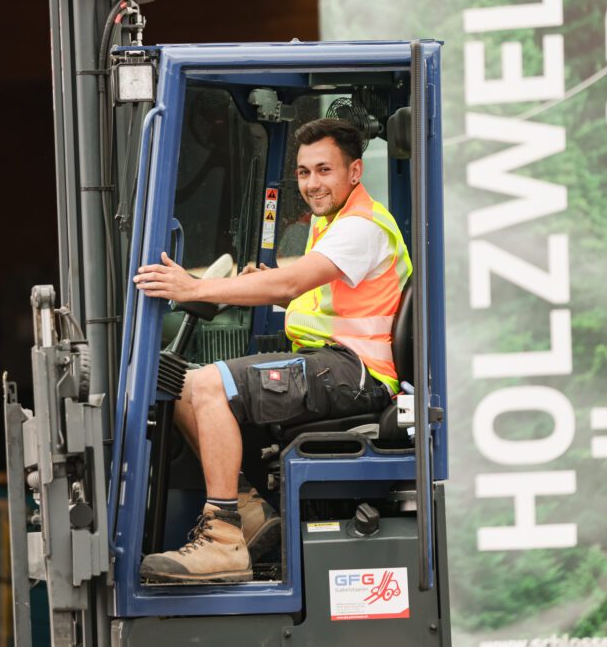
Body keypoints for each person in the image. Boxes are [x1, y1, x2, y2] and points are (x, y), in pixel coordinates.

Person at [132, 118, 412, 583]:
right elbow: (306, 294)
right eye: (303, 172)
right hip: (331, 364)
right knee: (181, 385)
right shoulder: (332, 224)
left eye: (324, 170)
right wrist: (265, 286)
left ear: (355, 171)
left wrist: (196, 288)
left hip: (356, 373)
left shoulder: (361, 227)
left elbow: (292, 280)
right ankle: (249, 512)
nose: (312, 184)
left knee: (208, 384)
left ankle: (222, 541)